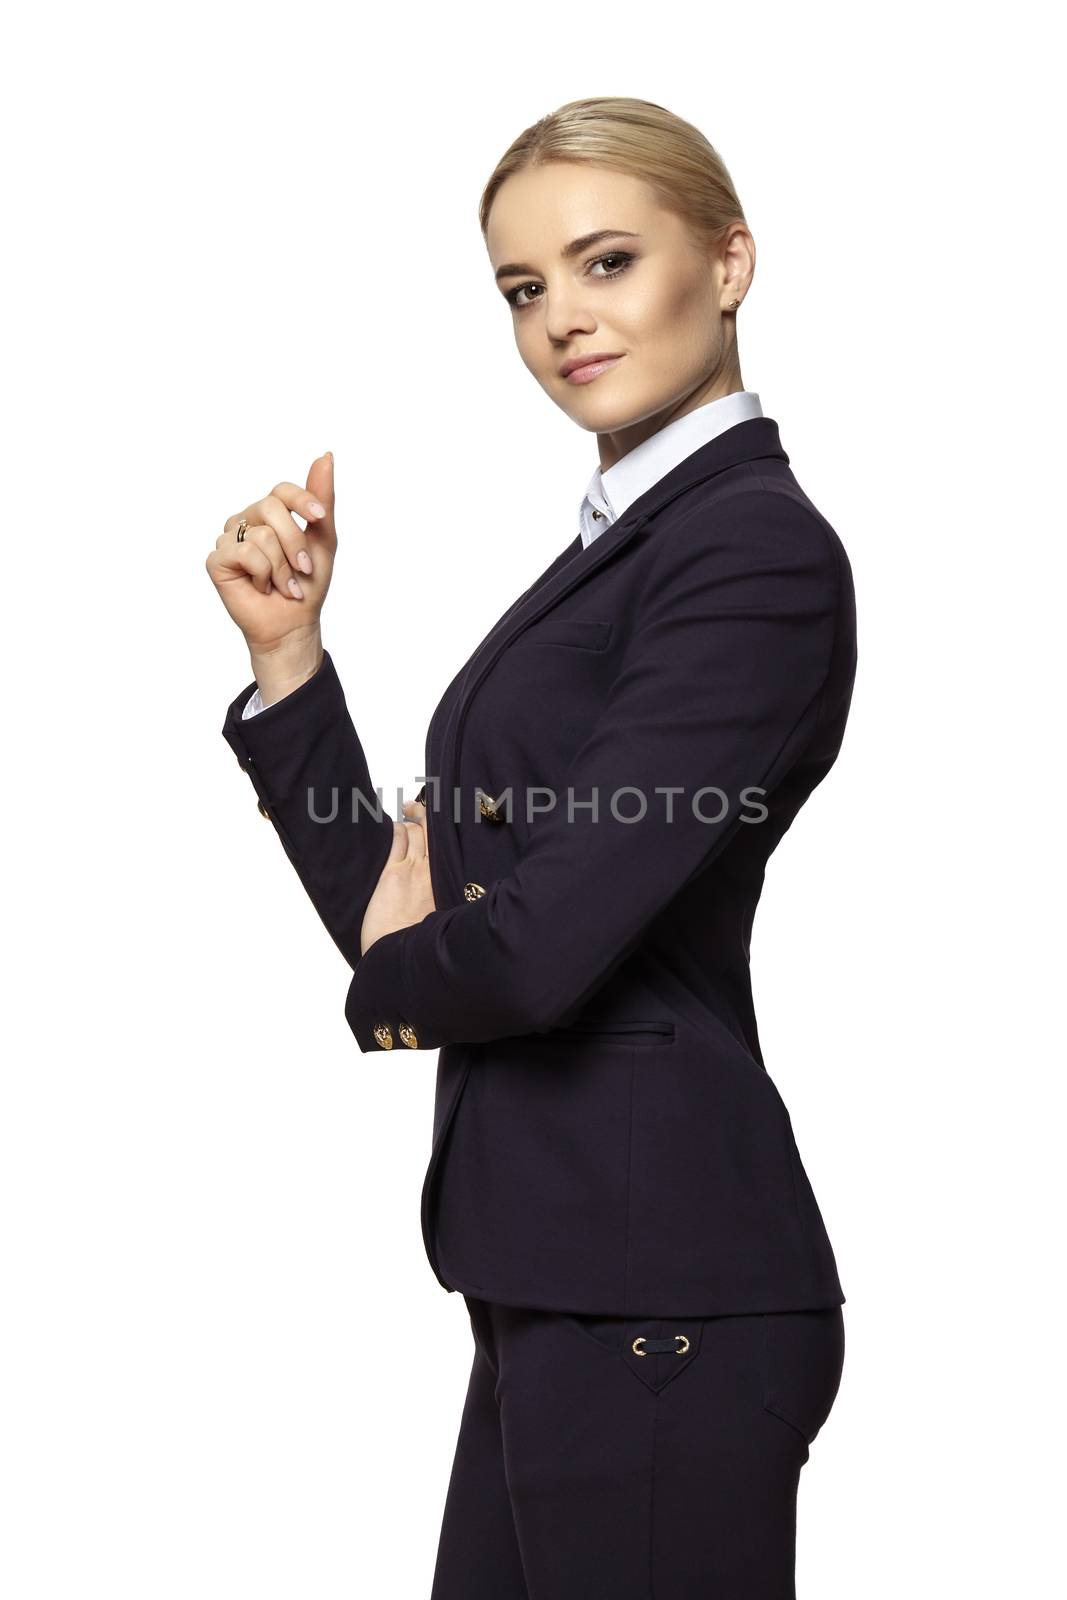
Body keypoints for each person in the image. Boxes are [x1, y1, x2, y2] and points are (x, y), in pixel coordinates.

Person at [206, 96, 858, 1599]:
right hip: (563, 1285)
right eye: (523, 289)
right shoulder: (623, 545)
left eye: (607, 261)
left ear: (730, 260)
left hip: (661, 1301)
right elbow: (426, 910)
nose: (562, 318)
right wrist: (293, 664)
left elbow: (530, 947)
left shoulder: (748, 552)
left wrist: (391, 989)